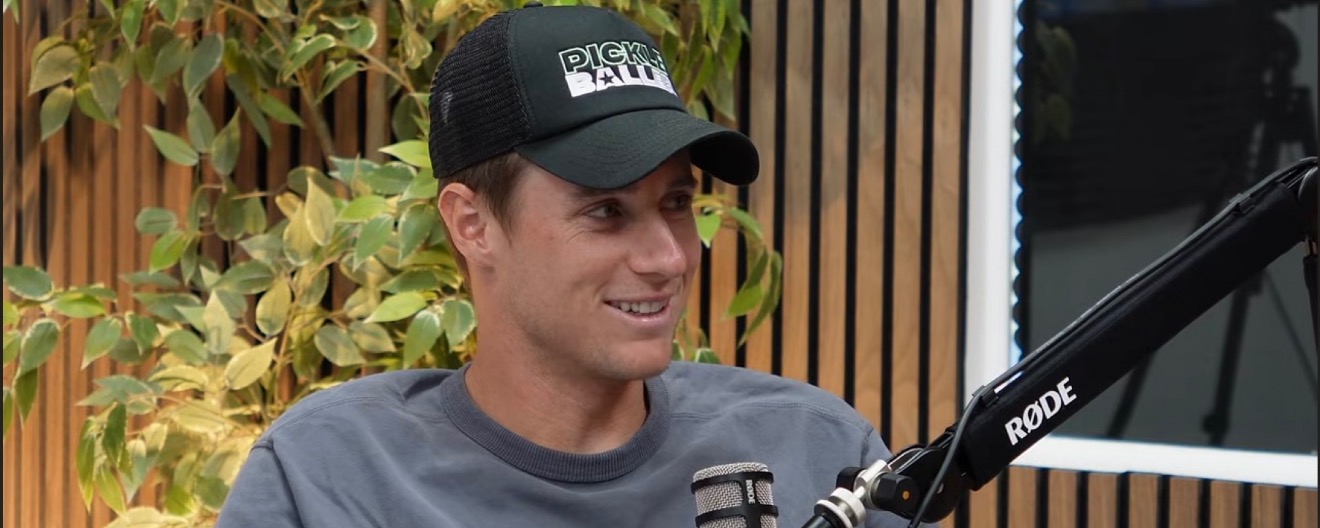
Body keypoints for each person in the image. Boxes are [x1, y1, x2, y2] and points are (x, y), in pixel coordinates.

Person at [218, 3, 922, 527]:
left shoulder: (817, 450)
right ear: (472, 224)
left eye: (676, 202)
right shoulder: (329, 479)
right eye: (607, 212)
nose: (669, 257)